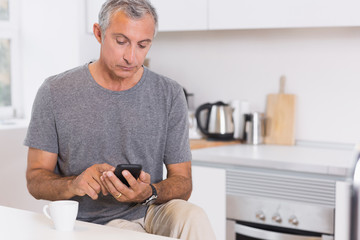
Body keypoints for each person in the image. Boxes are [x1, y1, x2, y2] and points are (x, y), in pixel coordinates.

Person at [24, 0, 216, 239]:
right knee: (123, 232)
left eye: (142, 45)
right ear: (98, 33)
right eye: (121, 41)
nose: (131, 57)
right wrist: (73, 184)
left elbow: (183, 183)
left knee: (194, 216)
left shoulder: (170, 93)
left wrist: (148, 192)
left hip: (153, 209)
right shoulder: (55, 92)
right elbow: (35, 179)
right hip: (96, 223)